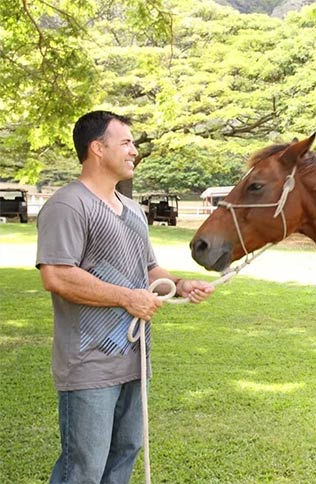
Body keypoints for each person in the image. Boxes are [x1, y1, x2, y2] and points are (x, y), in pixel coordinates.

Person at [36, 110, 216, 483]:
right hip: (88, 366)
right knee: (83, 468)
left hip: (134, 361)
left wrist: (180, 284)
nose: (134, 150)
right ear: (97, 148)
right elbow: (57, 275)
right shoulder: (68, 205)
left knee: (124, 457)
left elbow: (148, 269)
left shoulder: (133, 210)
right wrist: (126, 298)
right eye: (126, 143)